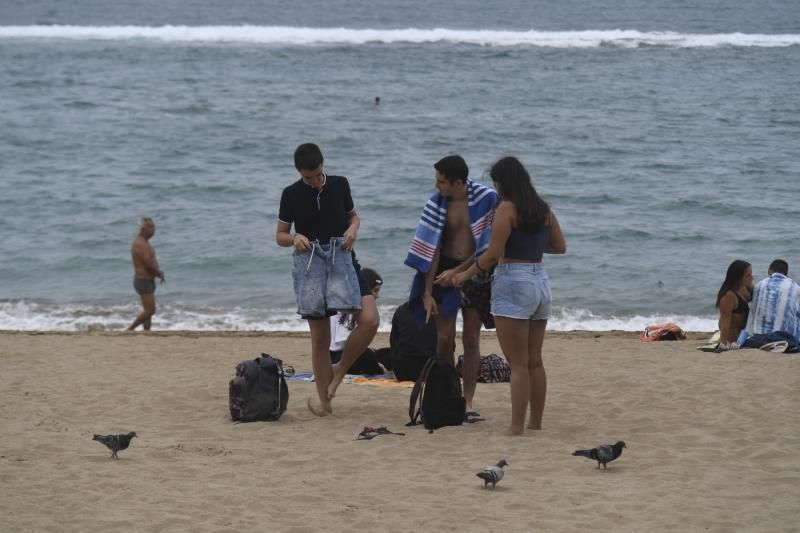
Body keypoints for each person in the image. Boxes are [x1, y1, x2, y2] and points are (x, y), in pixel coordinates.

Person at [453, 156, 566, 436]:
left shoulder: (507, 208)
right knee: (534, 360)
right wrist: (533, 247)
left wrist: (463, 276)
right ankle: (535, 422)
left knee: (517, 363)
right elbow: (559, 246)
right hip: (540, 279)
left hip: (513, 280)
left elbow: (492, 254)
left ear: (504, 183)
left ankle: (516, 427)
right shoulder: (543, 209)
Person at [276, 143, 379, 416]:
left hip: (344, 259)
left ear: (323, 165)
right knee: (320, 339)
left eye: (317, 175)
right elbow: (280, 235)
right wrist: (294, 238)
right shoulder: (291, 194)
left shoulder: (339, 184)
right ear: (299, 172)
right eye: (307, 177)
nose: (313, 181)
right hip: (311, 266)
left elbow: (353, 217)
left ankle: (340, 370)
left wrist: (354, 230)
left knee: (369, 320)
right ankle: (326, 404)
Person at [405, 155, 498, 422]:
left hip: (475, 270)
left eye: (441, 182)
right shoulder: (436, 204)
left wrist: (459, 272)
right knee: (444, 339)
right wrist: (425, 292)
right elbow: (430, 249)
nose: (437, 187)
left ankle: (468, 402)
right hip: (443, 269)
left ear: (459, 183)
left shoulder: (485, 199)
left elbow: (487, 247)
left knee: (471, 338)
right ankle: (449, 392)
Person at [329, 268, 387, 375]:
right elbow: (345, 342)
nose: (377, 296)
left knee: (386, 353)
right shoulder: (347, 307)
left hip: (347, 354)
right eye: (375, 291)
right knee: (368, 354)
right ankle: (378, 369)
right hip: (337, 357)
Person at [747, 259, 800, 342]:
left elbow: (753, 311)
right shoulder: (796, 288)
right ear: (786, 273)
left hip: (757, 338)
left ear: (769, 271)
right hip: (785, 340)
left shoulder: (759, 285)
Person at [127, 217, 165, 331]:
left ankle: (147, 332)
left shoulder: (144, 242)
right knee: (150, 310)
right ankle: (130, 330)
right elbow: (148, 264)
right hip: (143, 280)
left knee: (147, 310)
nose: (153, 230)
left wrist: (157, 273)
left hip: (147, 279)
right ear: (142, 228)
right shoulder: (140, 244)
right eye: (150, 227)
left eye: (154, 227)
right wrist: (159, 273)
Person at [715, 259, 753, 348]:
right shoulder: (728, 296)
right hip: (734, 340)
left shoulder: (746, 287)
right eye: (748, 276)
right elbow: (725, 324)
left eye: (751, 274)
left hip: (745, 334)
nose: (752, 278)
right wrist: (723, 344)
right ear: (738, 277)